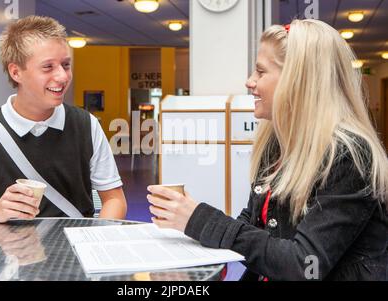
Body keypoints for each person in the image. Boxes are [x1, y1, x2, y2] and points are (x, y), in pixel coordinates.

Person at [147, 19, 388, 281]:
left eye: (260, 72)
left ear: (298, 81)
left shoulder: (348, 157)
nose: (249, 82)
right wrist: (193, 234)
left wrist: (200, 220)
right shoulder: (276, 143)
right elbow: (252, 226)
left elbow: (304, 265)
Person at [0, 16, 127, 224]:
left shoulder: (87, 125)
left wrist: (96, 242)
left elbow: (114, 199)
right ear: (16, 72)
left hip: (76, 252)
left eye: (66, 65)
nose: (62, 77)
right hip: (10, 254)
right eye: (47, 67)